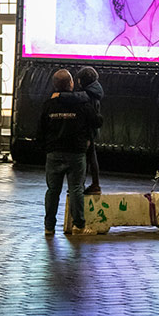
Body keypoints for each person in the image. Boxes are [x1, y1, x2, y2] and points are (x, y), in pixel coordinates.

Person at [39, 69, 102, 237]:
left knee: (52, 190)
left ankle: (49, 227)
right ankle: (78, 226)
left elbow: (40, 130)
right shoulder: (82, 103)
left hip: (53, 153)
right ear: (71, 84)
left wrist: (47, 148)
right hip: (76, 153)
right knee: (76, 189)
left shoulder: (48, 104)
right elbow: (97, 121)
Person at [55, 67, 105, 195]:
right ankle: (91, 184)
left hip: (88, 131)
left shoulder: (88, 94)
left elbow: (78, 97)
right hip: (91, 130)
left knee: (87, 158)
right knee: (90, 157)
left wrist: (60, 96)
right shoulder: (95, 91)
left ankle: (87, 184)